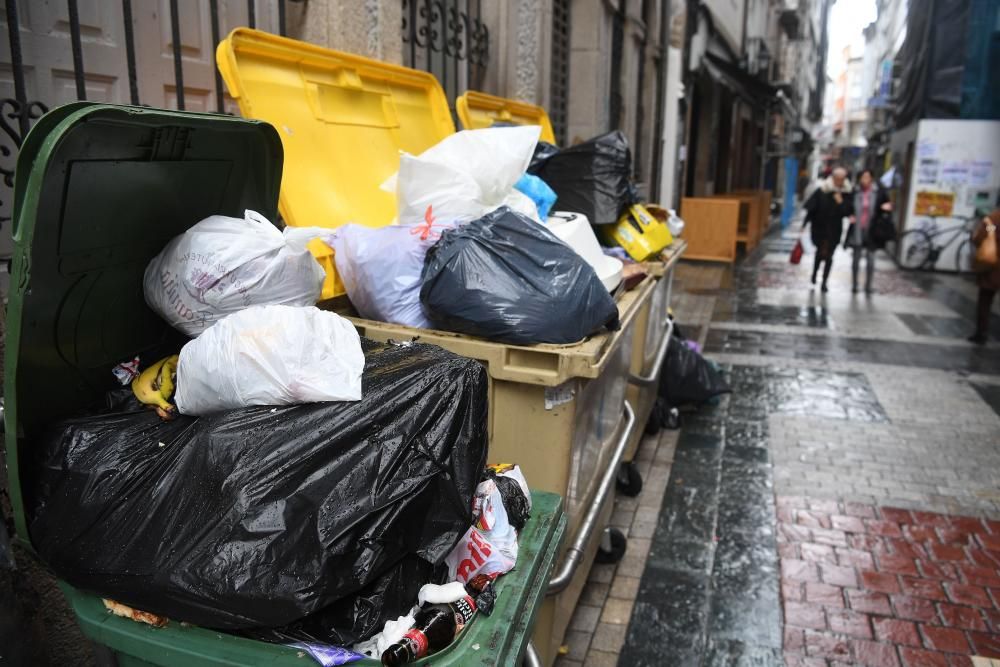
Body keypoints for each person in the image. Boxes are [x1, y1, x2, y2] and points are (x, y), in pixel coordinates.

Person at [803, 166, 854, 292]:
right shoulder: (823, 189)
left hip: (834, 229)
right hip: (819, 227)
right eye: (837, 178)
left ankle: (824, 282)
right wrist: (804, 224)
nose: (839, 181)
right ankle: (814, 274)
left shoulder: (846, 193)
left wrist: (841, 202)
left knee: (830, 256)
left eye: (842, 179)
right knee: (819, 253)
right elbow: (811, 208)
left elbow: (848, 212)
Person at [845, 168, 892, 294]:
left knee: (871, 259)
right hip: (858, 229)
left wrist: (885, 209)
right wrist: (850, 214)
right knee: (856, 258)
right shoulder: (855, 191)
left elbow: (887, 206)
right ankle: (855, 284)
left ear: (871, 178)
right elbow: (847, 206)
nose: (865, 180)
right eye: (863, 177)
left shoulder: (879, 192)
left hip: (873, 229)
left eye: (867, 177)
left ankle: (868, 286)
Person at [969, 208, 1000, 344]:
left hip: (992, 266)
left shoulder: (993, 218)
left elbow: (979, 238)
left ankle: (981, 334)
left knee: (985, 301)